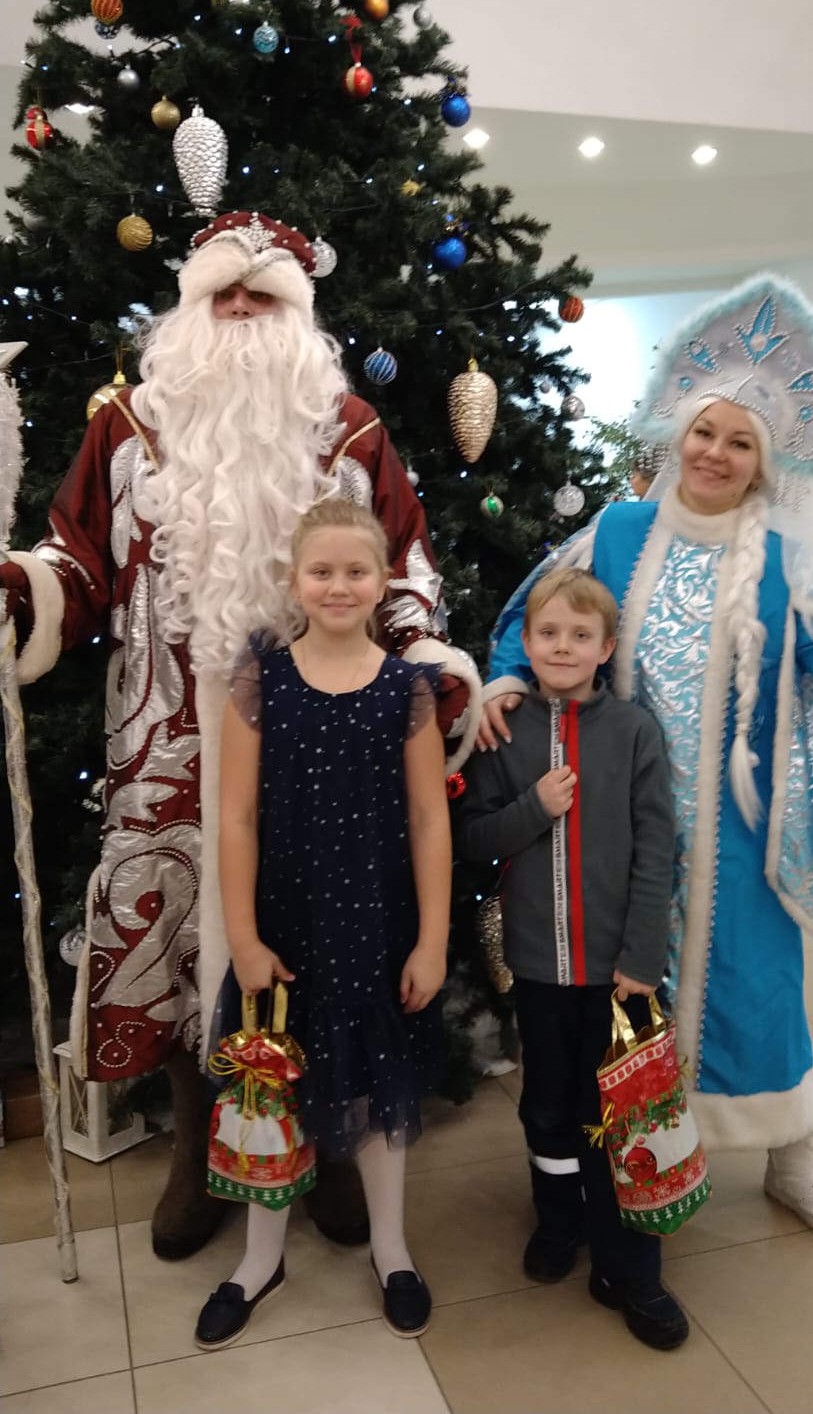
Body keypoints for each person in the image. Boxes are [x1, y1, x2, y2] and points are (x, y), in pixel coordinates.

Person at [0, 210, 479, 1260]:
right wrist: (24, 590)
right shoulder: (127, 425)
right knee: (181, 947)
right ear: (191, 306)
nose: (243, 310)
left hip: (324, 746)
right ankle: (201, 1149)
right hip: (164, 737)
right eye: (224, 292)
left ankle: (327, 1142)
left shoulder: (349, 429)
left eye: (264, 296)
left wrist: (428, 661)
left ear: (297, 314)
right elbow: (77, 556)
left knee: (324, 938)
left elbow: (404, 565)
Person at [479, 272, 813, 1247]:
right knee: (621, 1003)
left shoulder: (786, 559)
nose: (715, 452)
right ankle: (637, 1157)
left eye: (739, 442)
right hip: (616, 828)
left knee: (756, 989)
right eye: (705, 431)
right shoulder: (617, 532)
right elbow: (535, 615)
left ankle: (793, 1158)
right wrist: (504, 679)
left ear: (764, 461)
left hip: (740, 832)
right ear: (679, 433)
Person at [194, 498, 450, 1348]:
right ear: (294, 579)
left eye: (355, 571)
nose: (338, 586)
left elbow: (428, 820)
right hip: (286, 928)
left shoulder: (405, 689)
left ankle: (391, 1248)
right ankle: (259, 1257)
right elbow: (235, 818)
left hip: (377, 927)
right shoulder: (261, 681)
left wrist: (432, 940)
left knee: (379, 1089)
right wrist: (243, 937)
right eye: (321, 571)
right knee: (270, 1085)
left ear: (382, 580)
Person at [455, 565, 688, 1351]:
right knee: (548, 1106)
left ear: (605, 648)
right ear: (525, 643)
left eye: (579, 635)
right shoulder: (502, 731)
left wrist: (642, 954)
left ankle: (631, 1265)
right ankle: (558, 1222)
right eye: (548, 633)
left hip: (618, 974)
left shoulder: (633, 732)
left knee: (619, 1114)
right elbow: (472, 837)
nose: (562, 646)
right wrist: (534, 808)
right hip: (538, 970)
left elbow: (655, 849)